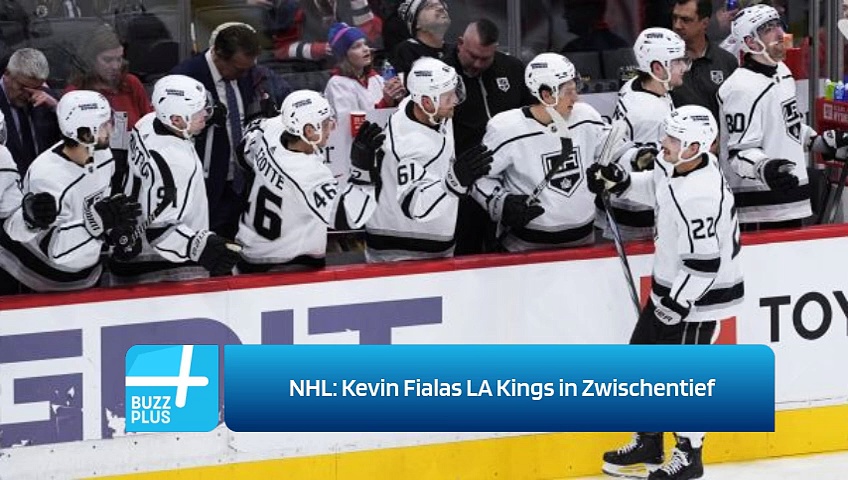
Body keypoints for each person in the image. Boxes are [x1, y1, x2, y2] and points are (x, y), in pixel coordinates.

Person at [588, 105, 744, 480]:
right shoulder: (677, 165)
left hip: (696, 299)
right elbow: (658, 189)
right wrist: (621, 182)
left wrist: (676, 305)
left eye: (673, 138)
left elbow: (704, 263)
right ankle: (649, 439)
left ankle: (689, 455)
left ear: (695, 147)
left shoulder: (700, 195)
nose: (664, 143)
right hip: (671, 288)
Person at [717, 4, 848, 230]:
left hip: (792, 199)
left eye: (778, 25)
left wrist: (819, 142)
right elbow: (738, 153)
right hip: (758, 209)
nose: (780, 33)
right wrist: (765, 168)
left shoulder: (782, 72)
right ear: (750, 42)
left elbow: (788, 125)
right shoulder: (740, 88)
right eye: (768, 29)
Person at [0, 90, 139, 292]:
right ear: (85, 134)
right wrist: (96, 225)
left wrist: (112, 233)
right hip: (48, 277)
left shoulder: (103, 155)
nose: (111, 128)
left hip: (87, 269)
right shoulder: (47, 176)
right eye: (104, 124)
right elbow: (54, 249)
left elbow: (99, 207)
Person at [108, 75, 241, 285]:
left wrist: (204, 118)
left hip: (128, 248)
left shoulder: (147, 122)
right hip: (161, 265)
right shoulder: (177, 164)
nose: (205, 114)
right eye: (198, 111)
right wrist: (199, 246)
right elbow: (160, 231)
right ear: (176, 119)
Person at [235, 90, 383, 272]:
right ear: (309, 130)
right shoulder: (309, 174)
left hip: (248, 254)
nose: (331, 128)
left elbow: (243, 153)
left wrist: (259, 120)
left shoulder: (272, 128)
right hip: (285, 266)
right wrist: (363, 172)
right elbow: (348, 218)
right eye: (326, 123)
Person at [471, 53, 605, 252]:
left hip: (584, 241)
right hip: (525, 248)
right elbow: (478, 177)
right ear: (546, 95)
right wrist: (502, 202)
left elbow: (613, 153)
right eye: (568, 91)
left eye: (575, 88)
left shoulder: (586, 116)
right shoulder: (507, 129)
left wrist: (628, 162)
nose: (576, 97)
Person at [364, 57, 493, 262]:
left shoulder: (421, 107)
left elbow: (420, 70)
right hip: (403, 247)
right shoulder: (408, 146)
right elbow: (414, 204)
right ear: (426, 102)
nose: (455, 100)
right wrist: (454, 181)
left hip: (428, 238)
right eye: (448, 96)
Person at [447, 18, 534, 255]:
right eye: (473, 56)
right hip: (463, 184)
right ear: (460, 43)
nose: (477, 64)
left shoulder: (513, 69)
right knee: (466, 253)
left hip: (511, 181)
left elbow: (532, 115)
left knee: (508, 251)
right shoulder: (443, 74)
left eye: (485, 58)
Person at [171, 22, 261, 240]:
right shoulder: (184, 79)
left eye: (248, 68)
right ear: (218, 54)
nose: (244, 74)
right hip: (205, 185)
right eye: (239, 69)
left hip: (243, 183)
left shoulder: (245, 73)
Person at [600, 27, 689, 242]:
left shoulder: (635, 85)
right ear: (657, 68)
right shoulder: (650, 115)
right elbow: (652, 170)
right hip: (638, 214)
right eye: (677, 61)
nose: (684, 67)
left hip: (624, 204)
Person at [65, 23, 153, 193]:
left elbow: (149, 123)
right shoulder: (76, 94)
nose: (115, 66)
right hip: (93, 176)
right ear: (90, 60)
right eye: (107, 60)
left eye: (119, 59)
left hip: (134, 172)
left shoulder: (131, 84)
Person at [670, 0, 738, 124]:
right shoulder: (665, 62)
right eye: (675, 18)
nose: (677, 25)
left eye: (685, 20)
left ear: (705, 23)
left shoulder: (726, 61)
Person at [0, 48, 61, 173]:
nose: (28, 94)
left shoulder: (48, 99)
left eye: (36, 87)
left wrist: (56, 107)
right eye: (22, 87)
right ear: (7, 74)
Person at [323, 22, 405, 113]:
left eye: (365, 44)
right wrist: (385, 102)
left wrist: (398, 99)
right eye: (357, 46)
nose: (366, 49)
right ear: (344, 56)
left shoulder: (375, 78)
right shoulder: (338, 84)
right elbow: (350, 120)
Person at [391, 0, 451, 80]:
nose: (441, 8)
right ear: (417, 23)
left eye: (441, 5)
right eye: (430, 6)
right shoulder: (407, 50)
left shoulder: (454, 50)